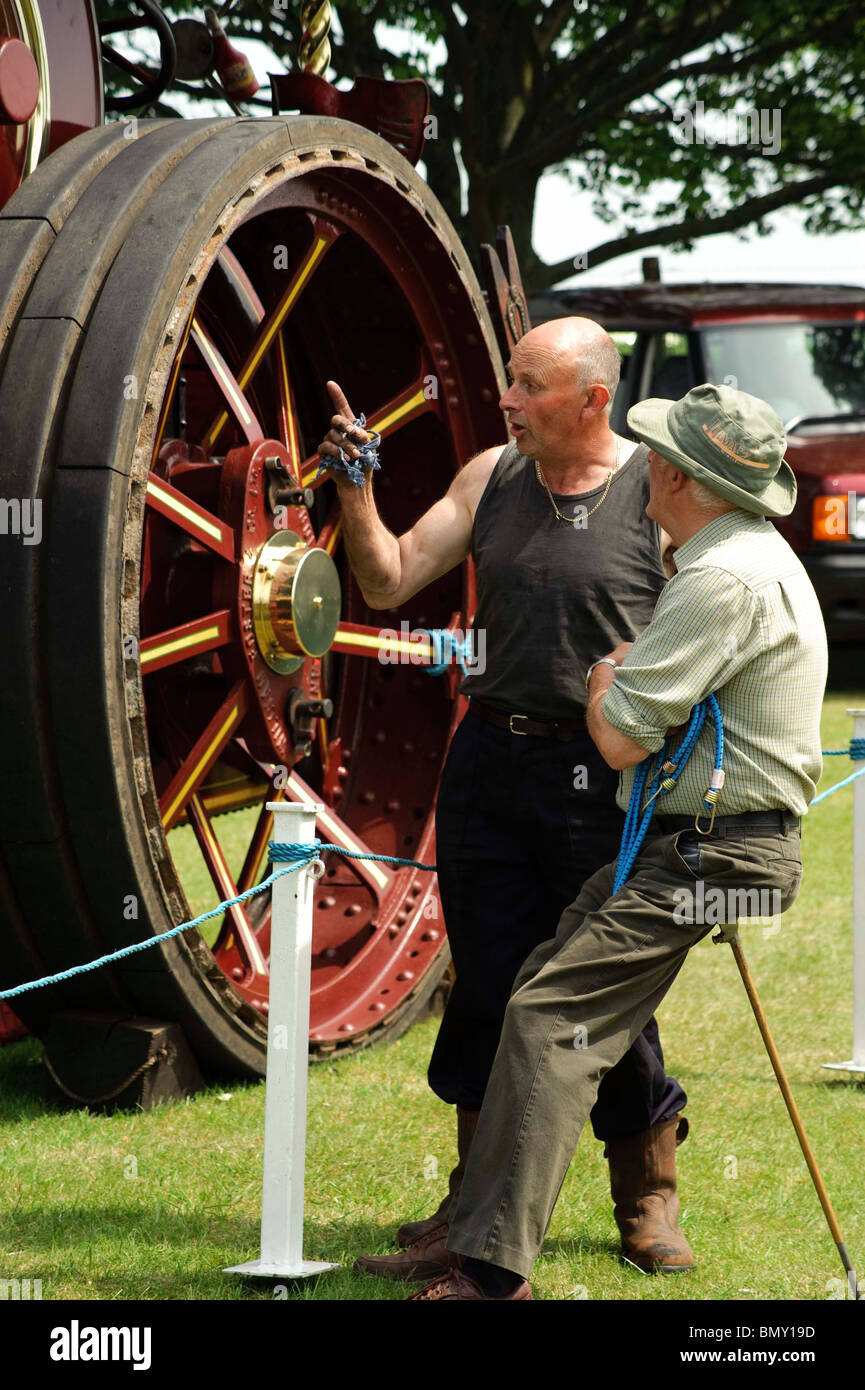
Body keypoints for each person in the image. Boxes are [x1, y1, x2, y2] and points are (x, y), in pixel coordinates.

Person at [404, 381, 829, 1300]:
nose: (647, 471)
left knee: (551, 1017)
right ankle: (485, 1231)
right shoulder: (745, 556)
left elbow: (617, 738)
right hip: (704, 846)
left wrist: (604, 678)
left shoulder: (717, 578)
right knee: (540, 996)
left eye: (660, 459)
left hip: (722, 857)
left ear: (680, 478)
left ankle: (492, 1272)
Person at [317, 318, 693, 1283]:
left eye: (528, 386)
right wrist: (356, 491)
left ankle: (645, 1195)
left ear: (591, 398)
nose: (508, 401)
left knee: (598, 996)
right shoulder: (491, 475)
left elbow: (711, 628)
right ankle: (468, 1208)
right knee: (485, 985)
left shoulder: (656, 493)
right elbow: (387, 574)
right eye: (511, 384)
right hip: (489, 763)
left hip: (608, 778)